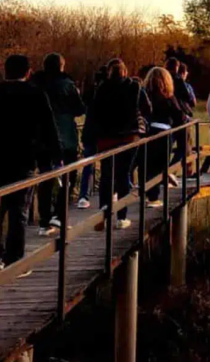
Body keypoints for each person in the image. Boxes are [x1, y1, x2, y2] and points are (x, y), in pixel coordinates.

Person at [0, 54, 60, 270]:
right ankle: (15, 261)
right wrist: (54, 158)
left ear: (5, 70)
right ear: (28, 72)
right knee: (18, 211)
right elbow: (49, 129)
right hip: (24, 161)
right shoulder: (36, 95)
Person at [86, 59, 151, 229]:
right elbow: (147, 108)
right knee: (123, 175)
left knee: (107, 175)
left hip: (106, 138)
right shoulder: (135, 87)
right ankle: (121, 217)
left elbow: (93, 111)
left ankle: (103, 213)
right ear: (125, 71)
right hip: (129, 138)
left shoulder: (102, 88)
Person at [30, 53, 86, 237]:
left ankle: (44, 222)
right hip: (66, 138)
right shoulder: (67, 85)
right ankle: (60, 214)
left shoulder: (36, 85)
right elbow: (80, 109)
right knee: (69, 176)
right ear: (62, 66)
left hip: (41, 140)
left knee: (45, 178)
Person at [142, 67, 186, 207]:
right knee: (159, 166)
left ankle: (148, 194)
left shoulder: (145, 95)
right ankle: (154, 198)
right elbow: (179, 116)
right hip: (164, 134)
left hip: (148, 133)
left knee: (148, 166)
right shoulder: (169, 98)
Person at [76, 65, 112, 209]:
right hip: (104, 133)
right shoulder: (109, 94)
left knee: (88, 164)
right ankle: (110, 194)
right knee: (107, 165)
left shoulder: (91, 93)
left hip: (90, 132)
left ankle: (83, 195)